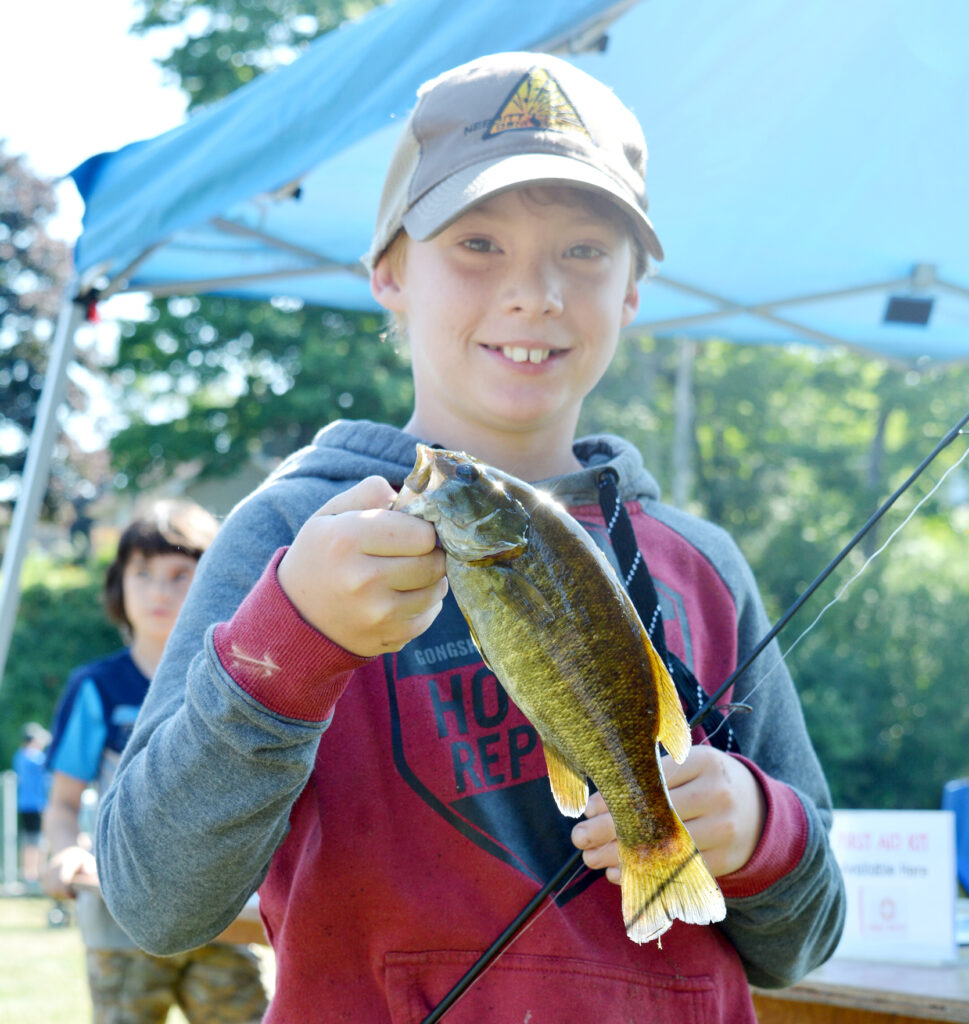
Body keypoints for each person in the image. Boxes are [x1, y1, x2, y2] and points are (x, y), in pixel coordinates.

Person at [96, 53, 845, 1022]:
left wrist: (759, 828)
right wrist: (291, 643)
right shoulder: (290, 539)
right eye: (478, 242)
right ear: (389, 271)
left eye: (585, 251)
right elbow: (151, 898)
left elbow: (806, 940)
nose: (535, 292)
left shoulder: (703, 566)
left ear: (631, 291)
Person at [42, 499, 268, 1024]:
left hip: (222, 911)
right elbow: (62, 805)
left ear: (216, 577)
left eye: (179, 575)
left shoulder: (239, 680)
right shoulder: (96, 688)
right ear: (119, 583)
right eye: (142, 574)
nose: (159, 591)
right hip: (118, 916)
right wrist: (65, 853)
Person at [12, 721, 50, 886]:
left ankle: (28, 873)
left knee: (28, 839)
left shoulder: (19, 755)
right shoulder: (35, 757)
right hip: (36, 804)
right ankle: (34, 874)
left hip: (25, 804)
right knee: (37, 840)